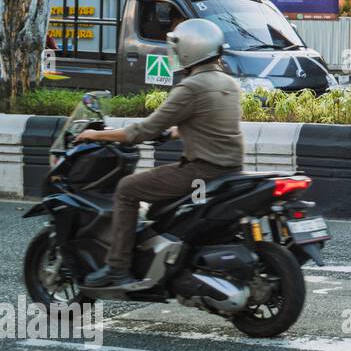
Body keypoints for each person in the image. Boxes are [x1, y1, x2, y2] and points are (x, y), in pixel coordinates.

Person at [78, 18, 245, 289]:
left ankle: (117, 268)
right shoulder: (228, 84)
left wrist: (95, 134)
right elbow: (210, 123)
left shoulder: (191, 87)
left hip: (200, 173)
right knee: (158, 206)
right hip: (231, 171)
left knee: (127, 188)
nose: (175, 54)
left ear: (191, 49)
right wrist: (175, 133)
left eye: (178, 48)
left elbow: (140, 132)